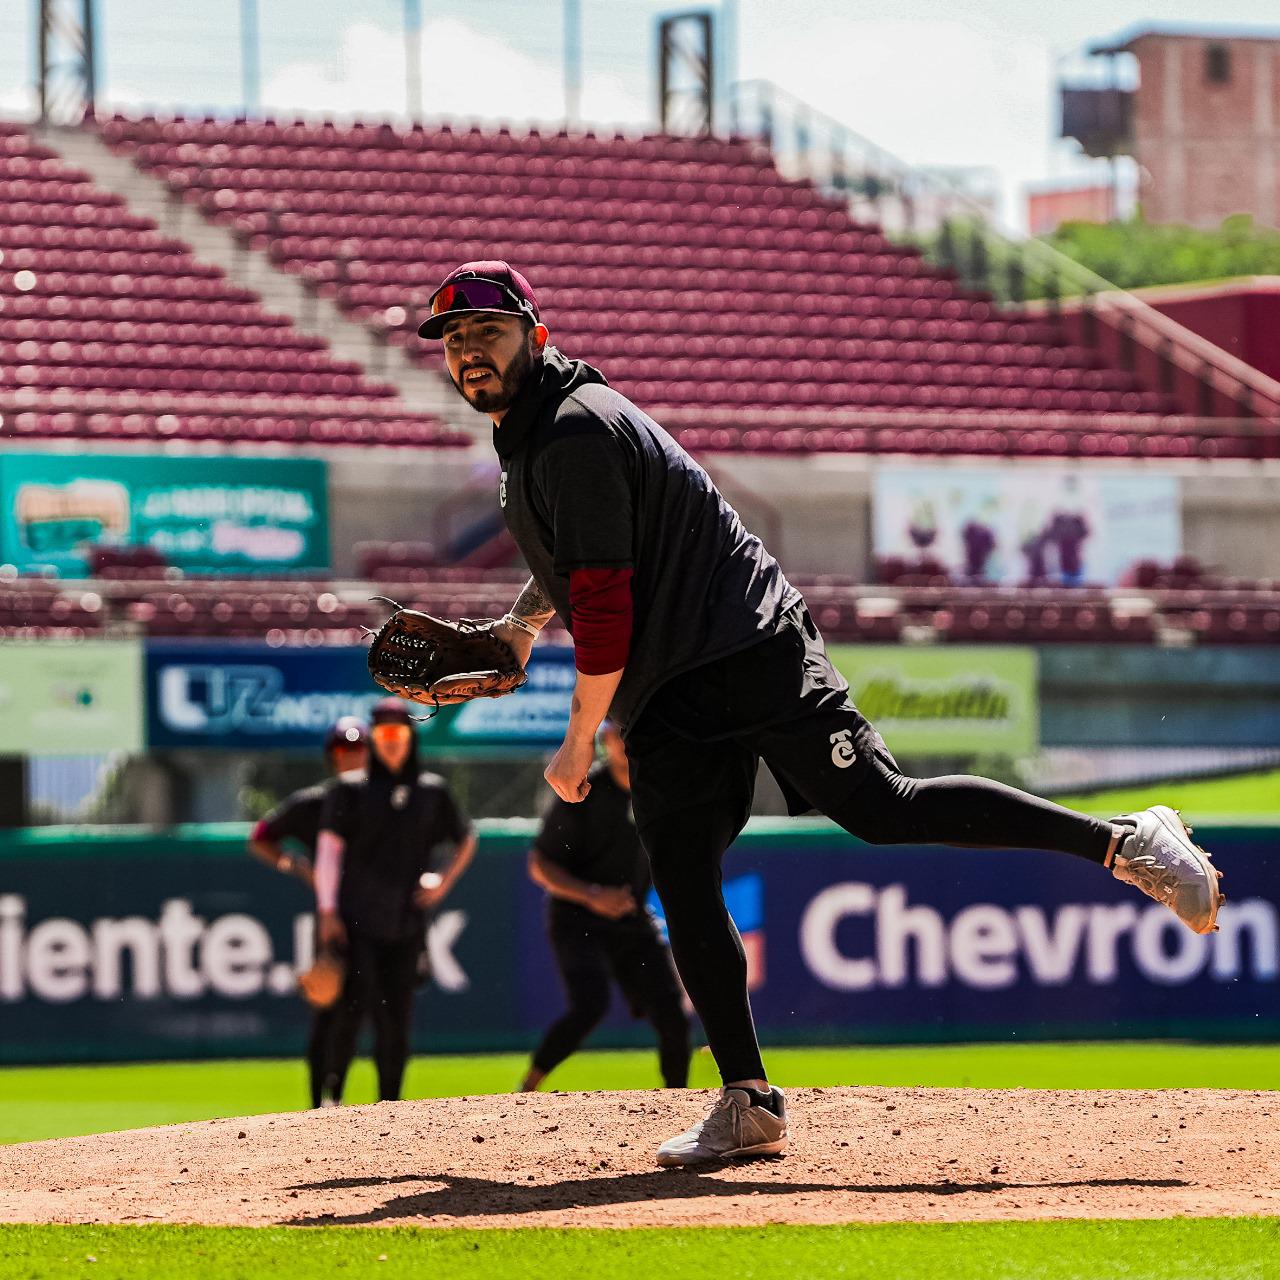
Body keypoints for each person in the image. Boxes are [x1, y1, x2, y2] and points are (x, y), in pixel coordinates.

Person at [417, 261, 1225, 1166]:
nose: (469, 352)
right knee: (680, 872)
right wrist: (522, 629)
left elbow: (603, 605)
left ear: (537, 333)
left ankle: (1128, 840)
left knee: (885, 809)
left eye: (487, 332)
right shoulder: (534, 439)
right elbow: (576, 553)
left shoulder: (571, 430)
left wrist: (576, 741)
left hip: (746, 645)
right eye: (453, 340)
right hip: (671, 687)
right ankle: (749, 1102)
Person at [314, 698, 476, 1103]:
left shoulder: (431, 792)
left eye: (398, 734)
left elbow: (466, 838)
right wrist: (328, 911)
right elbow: (329, 855)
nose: (390, 742)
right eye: (383, 735)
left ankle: (391, 1105)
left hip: (407, 922)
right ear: (373, 740)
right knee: (351, 1011)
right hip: (356, 922)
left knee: (397, 1019)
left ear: (410, 738)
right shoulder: (349, 791)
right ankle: (333, 1096)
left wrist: (442, 882)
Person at [521, 719, 690, 1093]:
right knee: (589, 1006)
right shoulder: (582, 790)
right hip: (576, 917)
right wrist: (593, 894)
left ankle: (680, 1102)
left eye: (628, 732)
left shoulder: (658, 787)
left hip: (630, 919)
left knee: (672, 1013)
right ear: (604, 742)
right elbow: (540, 864)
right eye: (614, 735)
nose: (622, 742)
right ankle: (526, 1092)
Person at [247, 716, 368, 1108]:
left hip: (373, 917)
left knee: (357, 1010)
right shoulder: (315, 802)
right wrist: (294, 865)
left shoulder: (382, 801)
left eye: (358, 749)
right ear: (333, 756)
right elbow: (261, 838)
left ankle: (337, 1093)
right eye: (343, 750)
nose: (351, 756)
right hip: (330, 919)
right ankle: (318, 1104)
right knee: (327, 1004)